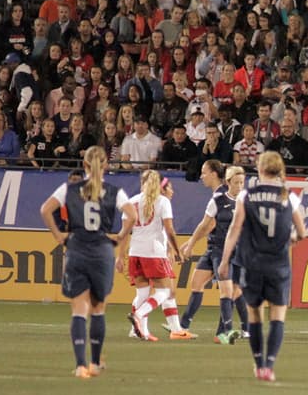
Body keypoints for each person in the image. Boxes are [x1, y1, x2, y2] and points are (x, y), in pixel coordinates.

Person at [40, 146, 131, 378]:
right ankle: (95, 363)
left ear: (84, 165)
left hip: (77, 249)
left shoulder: (70, 189)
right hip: (102, 251)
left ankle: (80, 365)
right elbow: (133, 215)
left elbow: (45, 210)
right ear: (106, 165)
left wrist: (59, 236)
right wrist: (120, 236)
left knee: (79, 309)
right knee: (99, 309)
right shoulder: (114, 191)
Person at [220, 151, 308, 381]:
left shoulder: (246, 195)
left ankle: (258, 364)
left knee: (254, 314)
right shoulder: (288, 196)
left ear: (259, 169)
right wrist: (291, 239)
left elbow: (235, 229)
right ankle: (269, 365)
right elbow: (302, 232)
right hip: (278, 264)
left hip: (252, 263)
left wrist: (224, 260)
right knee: (278, 315)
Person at [121, 170, 193, 341]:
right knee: (165, 291)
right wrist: (176, 250)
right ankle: (139, 315)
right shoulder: (162, 201)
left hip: (135, 252)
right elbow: (169, 230)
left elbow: (124, 231)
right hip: (154, 252)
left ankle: (141, 332)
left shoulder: (131, 201)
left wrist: (120, 256)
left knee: (143, 293)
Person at [178, 161, 245, 343]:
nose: (201, 176)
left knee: (229, 290)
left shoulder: (235, 200)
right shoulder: (219, 198)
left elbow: (210, 225)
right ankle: (183, 326)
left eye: (204, 172)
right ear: (229, 181)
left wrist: (191, 243)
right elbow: (207, 224)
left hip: (227, 250)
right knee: (197, 283)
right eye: (236, 182)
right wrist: (191, 242)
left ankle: (226, 331)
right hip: (214, 248)